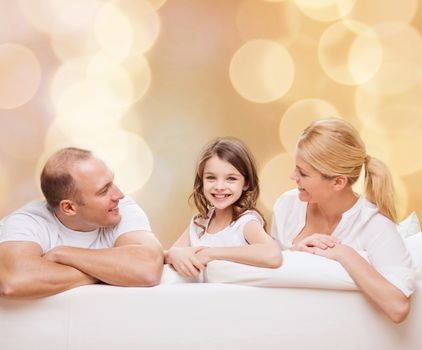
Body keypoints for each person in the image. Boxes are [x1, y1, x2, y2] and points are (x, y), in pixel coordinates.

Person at [272, 118, 415, 323]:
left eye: (303, 173)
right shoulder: (287, 206)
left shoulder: (374, 225)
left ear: (338, 182)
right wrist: (295, 254)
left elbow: (398, 307)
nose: (292, 176)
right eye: (296, 168)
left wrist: (343, 253)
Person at [0, 147, 163, 298]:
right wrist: (114, 272)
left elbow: (147, 268)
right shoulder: (26, 222)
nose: (119, 194)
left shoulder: (120, 208)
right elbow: (14, 281)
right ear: (69, 207)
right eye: (104, 190)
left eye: (112, 182)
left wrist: (63, 253)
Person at [166, 137, 282, 278]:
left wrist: (210, 253)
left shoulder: (245, 222)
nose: (219, 187)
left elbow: (273, 255)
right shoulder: (199, 223)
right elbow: (171, 254)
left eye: (231, 179)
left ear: (246, 183)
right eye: (211, 178)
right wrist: (173, 254)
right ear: (201, 181)